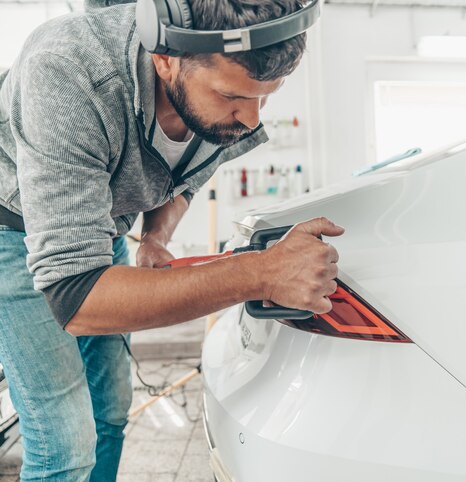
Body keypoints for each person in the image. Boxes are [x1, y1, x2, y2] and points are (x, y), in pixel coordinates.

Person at [0, 0, 343, 480]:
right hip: (14, 231)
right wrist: (260, 273)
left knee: (110, 412)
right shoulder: (66, 72)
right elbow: (78, 299)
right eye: (231, 98)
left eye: (266, 96)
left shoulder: (218, 92)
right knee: (65, 443)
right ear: (165, 59)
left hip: (103, 227)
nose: (250, 119)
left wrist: (155, 235)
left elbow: (184, 176)